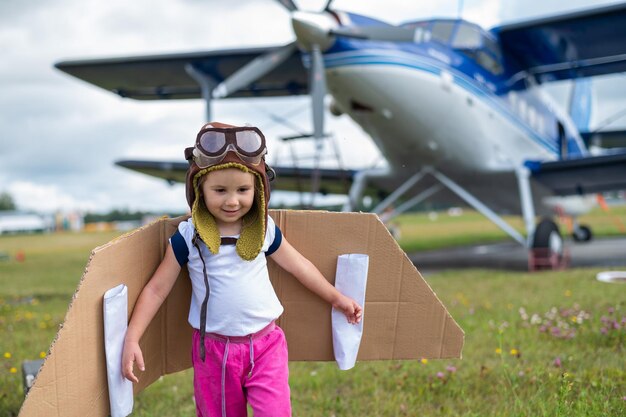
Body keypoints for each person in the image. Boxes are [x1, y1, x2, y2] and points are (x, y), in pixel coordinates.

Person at [121, 121, 363, 417]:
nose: (232, 200)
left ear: (258, 189)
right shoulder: (188, 237)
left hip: (266, 345)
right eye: (220, 190)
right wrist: (132, 337)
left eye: (243, 189)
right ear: (200, 189)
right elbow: (157, 290)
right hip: (214, 353)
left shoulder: (263, 231)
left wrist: (336, 298)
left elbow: (300, 267)